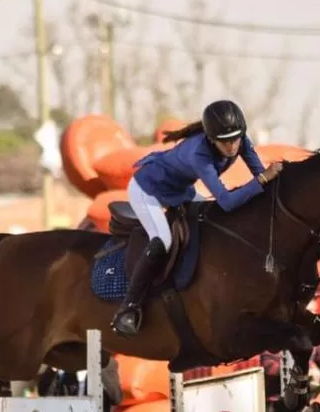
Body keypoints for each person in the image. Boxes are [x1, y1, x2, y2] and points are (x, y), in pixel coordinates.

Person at [111, 99, 283, 337]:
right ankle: (128, 308)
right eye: (225, 142)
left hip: (180, 190)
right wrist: (263, 180)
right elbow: (228, 200)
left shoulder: (239, 140)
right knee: (163, 240)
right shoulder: (199, 154)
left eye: (236, 138)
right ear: (212, 139)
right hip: (147, 189)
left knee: (214, 222)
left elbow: (261, 173)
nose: (233, 146)